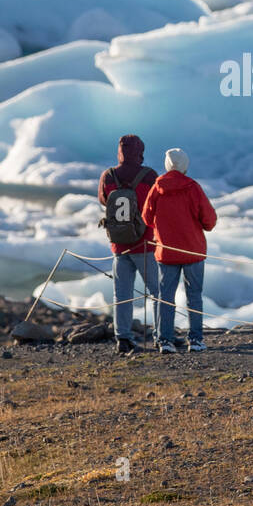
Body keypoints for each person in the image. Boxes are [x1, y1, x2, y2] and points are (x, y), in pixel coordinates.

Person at [141, 148, 217, 354]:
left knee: (165, 297)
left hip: (167, 251)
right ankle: (196, 340)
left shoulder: (157, 188)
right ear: (185, 165)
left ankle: (165, 341)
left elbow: (146, 218)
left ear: (167, 165)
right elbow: (209, 221)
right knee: (194, 296)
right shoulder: (193, 188)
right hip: (193, 250)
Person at [97, 135, 159, 355]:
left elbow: (104, 200)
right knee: (156, 293)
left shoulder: (108, 175)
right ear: (140, 151)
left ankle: (123, 338)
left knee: (121, 294)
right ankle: (162, 337)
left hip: (119, 245)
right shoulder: (149, 175)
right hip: (145, 244)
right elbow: (157, 204)